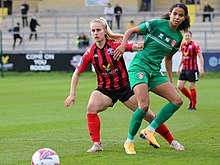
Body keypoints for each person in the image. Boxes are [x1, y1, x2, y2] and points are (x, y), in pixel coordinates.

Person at [64, 17, 185, 153]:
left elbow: (130, 46)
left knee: (148, 113)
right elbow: (77, 73)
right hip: (105, 90)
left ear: (104, 31)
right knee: (91, 107)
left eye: (98, 30)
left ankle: (171, 141)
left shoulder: (115, 44)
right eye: (93, 31)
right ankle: (97, 144)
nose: (95, 33)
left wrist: (137, 47)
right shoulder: (90, 53)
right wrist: (72, 94)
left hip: (125, 88)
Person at [114, 2, 190, 154]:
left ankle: (150, 130)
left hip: (155, 72)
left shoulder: (178, 37)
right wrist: (123, 45)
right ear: (170, 13)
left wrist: (170, 80)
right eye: (175, 13)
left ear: (184, 18)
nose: (177, 17)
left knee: (177, 100)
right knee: (144, 106)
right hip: (139, 67)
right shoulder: (157, 24)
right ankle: (129, 141)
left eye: (180, 15)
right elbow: (130, 31)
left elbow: (168, 59)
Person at [177, 31, 205, 110]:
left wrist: (202, 68)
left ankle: (193, 105)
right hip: (184, 68)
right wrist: (179, 67)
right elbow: (182, 57)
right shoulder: (183, 45)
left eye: (188, 36)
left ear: (191, 36)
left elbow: (200, 56)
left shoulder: (194, 45)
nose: (187, 37)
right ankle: (191, 100)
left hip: (192, 69)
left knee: (191, 86)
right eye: (186, 36)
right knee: (180, 86)